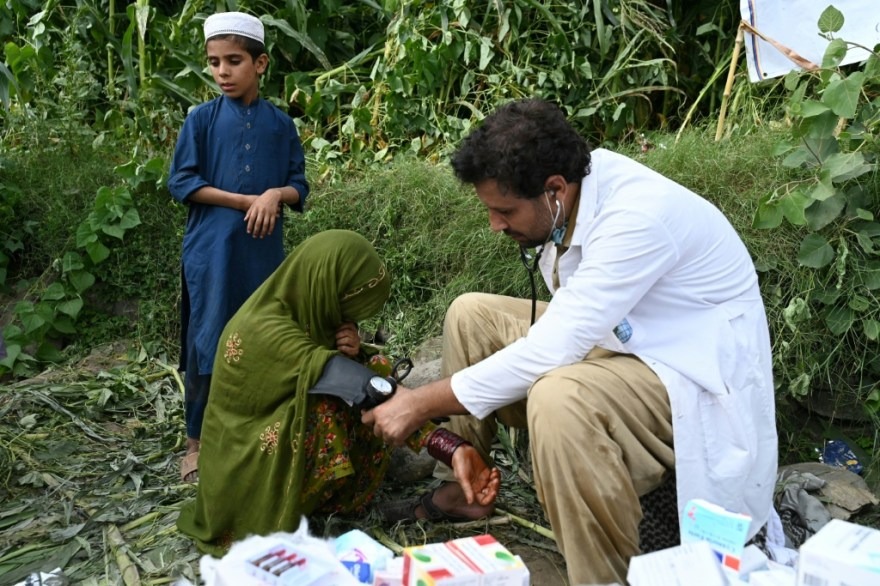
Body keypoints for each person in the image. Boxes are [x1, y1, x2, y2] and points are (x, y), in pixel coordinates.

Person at [362, 99, 779, 584]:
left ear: (554, 189)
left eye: (504, 211)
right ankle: (464, 482)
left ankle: (602, 578)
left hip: (688, 375)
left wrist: (418, 404)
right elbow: (568, 328)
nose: (495, 225)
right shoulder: (577, 194)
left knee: (558, 398)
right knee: (470, 314)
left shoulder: (638, 218)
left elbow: (551, 349)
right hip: (622, 345)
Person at [176, 230, 500, 555]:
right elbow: (356, 387)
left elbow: (361, 374)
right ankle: (296, 512)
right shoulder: (261, 328)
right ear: (325, 290)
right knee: (332, 404)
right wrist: (448, 446)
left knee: (373, 364)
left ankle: (329, 505)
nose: (346, 320)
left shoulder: (306, 310)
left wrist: (353, 351)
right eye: (344, 309)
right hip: (244, 476)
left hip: (278, 448)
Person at [167, 11, 309, 482]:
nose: (222, 72)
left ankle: (253, 434)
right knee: (207, 340)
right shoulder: (201, 121)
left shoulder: (280, 125)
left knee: (258, 338)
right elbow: (183, 181)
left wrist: (273, 195)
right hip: (211, 252)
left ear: (260, 63)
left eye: (233, 61)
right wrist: (245, 199)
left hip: (262, 256)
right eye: (213, 62)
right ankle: (196, 441)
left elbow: (297, 186)